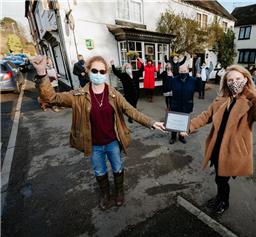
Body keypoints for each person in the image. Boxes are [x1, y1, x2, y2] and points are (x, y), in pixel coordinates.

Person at [30, 55, 166, 211]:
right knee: (100, 171)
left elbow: (131, 111)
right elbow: (51, 97)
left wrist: (152, 122)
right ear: (88, 71)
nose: (98, 74)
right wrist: (41, 73)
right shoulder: (78, 95)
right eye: (95, 70)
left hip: (113, 142)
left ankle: (119, 192)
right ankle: (105, 194)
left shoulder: (114, 94)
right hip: (94, 144)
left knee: (117, 168)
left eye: (102, 71)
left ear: (106, 73)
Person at [180, 64, 256, 215]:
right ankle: (219, 198)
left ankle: (223, 202)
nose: (234, 83)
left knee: (222, 179)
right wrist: (188, 127)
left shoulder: (253, 99)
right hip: (216, 145)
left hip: (232, 149)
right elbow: (206, 116)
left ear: (246, 79)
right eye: (230, 80)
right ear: (226, 82)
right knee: (219, 178)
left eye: (238, 79)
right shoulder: (222, 97)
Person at [168, 65, 197, 144]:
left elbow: (199, 88)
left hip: (187, 104)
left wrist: (200, 79)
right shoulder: (174, 80)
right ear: (178, 71)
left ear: (188, 71)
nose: (183, 73)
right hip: (176, 104)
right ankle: (173, 137)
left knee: (183, 122)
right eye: (181, 71)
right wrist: (169, 78)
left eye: (184, 71)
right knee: (175, 122)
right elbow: (167, 88)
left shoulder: (193, 80)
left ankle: (181, 137)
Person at [111, 58, 144, 123]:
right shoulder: (123, 76)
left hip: (136, 93)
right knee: (130, 105)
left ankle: (133, 113)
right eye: (127, 68)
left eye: (129, 67)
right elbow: (116, 72)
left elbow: (141, 70)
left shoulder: (135, 73)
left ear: (131, 68)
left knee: (134, 104)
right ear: (125, 69)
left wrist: (142, 63)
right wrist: (112, 65)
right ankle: (130, 117)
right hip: (128, 94)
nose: (128, 69)